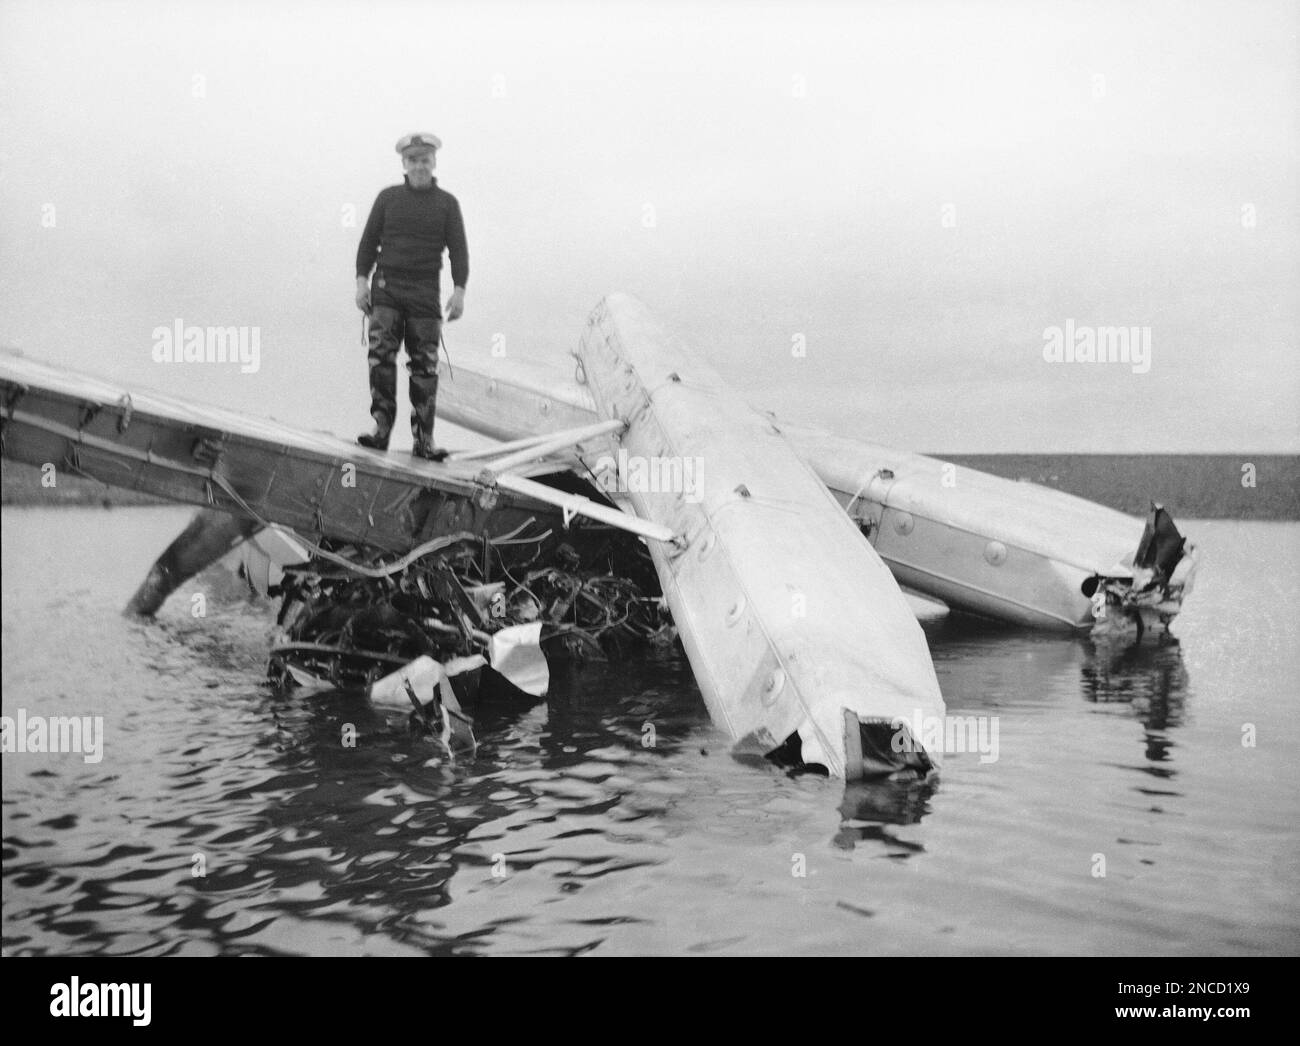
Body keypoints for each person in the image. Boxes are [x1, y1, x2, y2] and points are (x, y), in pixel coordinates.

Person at [355, 131, 468, 460]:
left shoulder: (447, 204)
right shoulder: (388, 198)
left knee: (425, 367)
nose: (419, 165)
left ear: (434, 163)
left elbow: (459, 251)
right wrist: (362, 283)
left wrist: (459, 291)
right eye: (413, 160)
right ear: (404, 164)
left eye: (425, 160)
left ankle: (424, 441)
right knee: (381, 358)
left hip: (425, 293)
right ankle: (380, 430)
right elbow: (367, 243)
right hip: (387, 289)